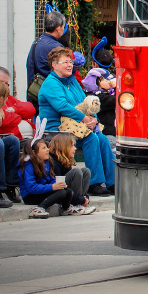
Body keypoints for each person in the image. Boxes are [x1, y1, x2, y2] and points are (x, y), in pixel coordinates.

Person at [37, 46, 114, 196]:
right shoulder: (51, 83)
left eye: (70, 62)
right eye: (65, 62)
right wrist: (85, 119)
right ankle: (94, 183)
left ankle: (112, 183)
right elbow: (63, 107)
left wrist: (94, 120)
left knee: (102, 139)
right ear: (54, 65)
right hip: (56, 130)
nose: (69, 65)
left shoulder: (71, 81)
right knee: (91, 138)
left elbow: (87, 103)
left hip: (78, 126)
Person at [19, 136, 82, 217]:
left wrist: (57, 185)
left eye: (47, 147)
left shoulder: (47, 162)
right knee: (61, 192)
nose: (47, 150)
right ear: (34, 152)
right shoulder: (28, 166)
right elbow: (31, 188)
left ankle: (66, 209)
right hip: (30, 196)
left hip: (42, 191)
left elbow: (51, 179)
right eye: (44, 148)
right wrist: (52, 187)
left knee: (67, 191)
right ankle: (39, 209)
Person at [25, 11, 69, 112]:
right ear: (58, 28)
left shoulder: (37, 41)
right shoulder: (55, 47)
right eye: (63, 26)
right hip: (49, 96)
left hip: (34, 92)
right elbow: (65, 72)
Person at [48, 134, 95, 214]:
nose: (75, 148)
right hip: (62, 194)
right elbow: (60, 188)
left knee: (86, 171)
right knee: (76, 172)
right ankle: (77, 204)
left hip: (73, 194)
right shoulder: (54, 163)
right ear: (64, 147)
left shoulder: (65, 160)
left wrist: (85, 198)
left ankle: (82, 203)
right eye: (72, 146)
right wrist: (80, 199)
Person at [0, 66, 35, 141]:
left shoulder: (7, 97)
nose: (4, 87)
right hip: (7, 139)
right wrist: (21, 116)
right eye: (0, 82)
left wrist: (14, 109)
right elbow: (4, 120)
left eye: (6, 84)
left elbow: (30, 108)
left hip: (22, 137)